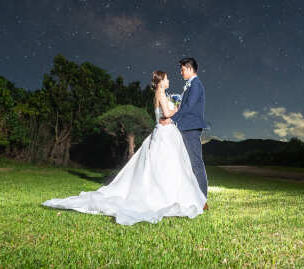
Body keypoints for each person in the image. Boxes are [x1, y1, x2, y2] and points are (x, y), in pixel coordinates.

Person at [42, 70, 206, 226]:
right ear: (161, 81)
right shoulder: (160, 94)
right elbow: (167, 114)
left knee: (166, 166)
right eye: (167, 78)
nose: (169, 81)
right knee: (162, 165)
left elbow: (164, 114)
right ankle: (162, 196)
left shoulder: (161, 94)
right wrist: (179, 107)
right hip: (164, 134)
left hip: (165, 133)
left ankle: (170, 194)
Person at [161, 57, 208, 207]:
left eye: (182, 69)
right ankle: (191, 196)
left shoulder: (196, 85)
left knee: (196, 163)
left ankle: (202, 200)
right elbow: (183, 106)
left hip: (191, 128)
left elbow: (187, 107)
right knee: (186, 163)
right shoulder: (190, 85)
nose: (181, 73)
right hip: (185, 127)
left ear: (189, 68)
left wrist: (172, 119)